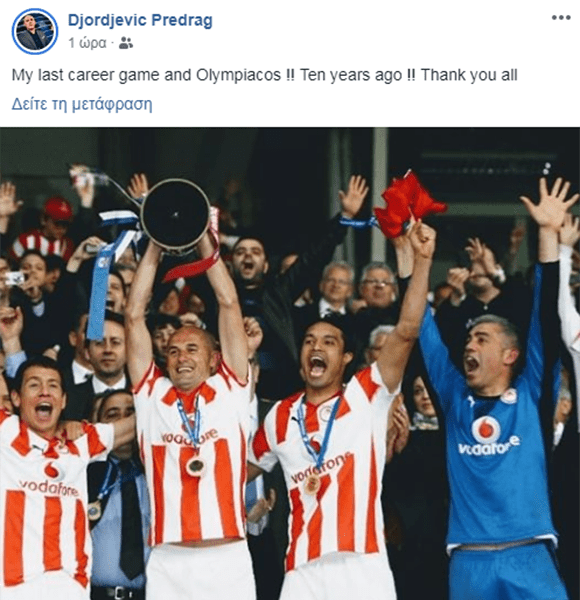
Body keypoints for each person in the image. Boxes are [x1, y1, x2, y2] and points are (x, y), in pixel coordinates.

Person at [248, 221, 436, 599]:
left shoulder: (366, 394)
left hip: (362, 565)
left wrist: (424, 261)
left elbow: (406, 329)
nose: (316, 347)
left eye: (328, 342)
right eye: (309, 341)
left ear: (347, 357)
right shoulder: (279, 416)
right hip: (301, 570)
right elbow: (235, 471)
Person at [417, 178, 575, 599]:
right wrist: (415, 260)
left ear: (510, 355)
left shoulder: (532, 392)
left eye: (482, 339)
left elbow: (545, 317)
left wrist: (547, 236)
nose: (469, 345)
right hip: (469, 562)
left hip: (531, 554)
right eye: (468, 339)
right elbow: (422, 332)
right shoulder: (453, 396)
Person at [125, 231, 262, 600]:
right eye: (172, 351)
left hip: (228, 557)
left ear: (214, 359)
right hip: (169, 559)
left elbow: (228, 302)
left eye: (191, 348)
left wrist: (204, 240)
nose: (181, 356)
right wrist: (155, 243)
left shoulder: (231, 388)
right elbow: (133, 315)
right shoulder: (151, 395)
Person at [0, 356, 135, 599]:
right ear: (16, 398)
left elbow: (139, 423)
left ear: (63, 401)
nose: (44, 391)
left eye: (52, 385)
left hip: (70, 588)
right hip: (14, 589)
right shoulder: (5, 433)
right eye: (34, 385)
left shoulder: (80, 442)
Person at [88, 390, 151, 600]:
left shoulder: (157, 473)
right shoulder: (84, 473)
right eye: (113, 414)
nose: (123, 421)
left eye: (130, 413)